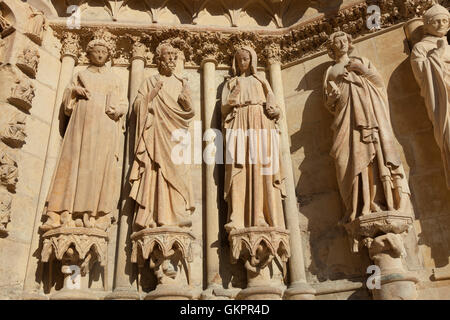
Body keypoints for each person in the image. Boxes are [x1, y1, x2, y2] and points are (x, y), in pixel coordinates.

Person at [41, 37, 128, 231]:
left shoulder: (114, 79)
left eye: (103, 52)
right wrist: (74, 92)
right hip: (80, 129)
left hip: (104, 130)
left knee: (99, 170)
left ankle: (94, 214)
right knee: (72, 167)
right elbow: (67, 105)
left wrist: (119, 111)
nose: (99, 54)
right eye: (96, 51)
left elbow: (124, 103)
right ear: (88, 54)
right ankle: (62, 213)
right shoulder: (80, 75)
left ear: (108, 55)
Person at [323, 31, 410, 224]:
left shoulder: (361, 60)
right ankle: (358, 203)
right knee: (345, 159)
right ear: (332, 47)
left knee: (375, 154)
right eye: (337, 42)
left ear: (349, 42)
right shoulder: (330, 72)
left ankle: (382, 200)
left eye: (344, 40)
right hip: (346, 120)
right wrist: (333, 98)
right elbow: (328, 104)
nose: (342, 44)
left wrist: (362, 69)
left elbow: (378, 84)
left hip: (369, 117)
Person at [129, 43, 195, 229]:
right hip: (156, 133)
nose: (172, 60)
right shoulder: (150, 81)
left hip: (176, 135)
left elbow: (190, 112)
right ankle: (154, 213)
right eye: (168, 56)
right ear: (160, 59)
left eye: (175, 57)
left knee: (179, 171)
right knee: (155, 170)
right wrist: (152, 94)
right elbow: (137, 106)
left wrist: (186, 103)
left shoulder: (182, 83)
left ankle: (178, 213)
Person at [222, 46, 286, 233]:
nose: (243, 62)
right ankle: (238, 217)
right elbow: (223, 109)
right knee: (239, 168)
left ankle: (261, 216)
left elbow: (274, 106)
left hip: (260, 122)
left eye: (246, 59)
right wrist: (232, 99)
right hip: (239, 122)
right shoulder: (232, 83)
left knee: (260, 167)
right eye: (240, 59)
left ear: (253, 60)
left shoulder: (261, 79)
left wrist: (276, 112)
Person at [411, 4, 450, 189]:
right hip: (444, 102)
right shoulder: (420, 47)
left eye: (445, 20)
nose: (442, 24)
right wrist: (437, 55)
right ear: (427, 25)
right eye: (437, 21)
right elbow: (421, 74)